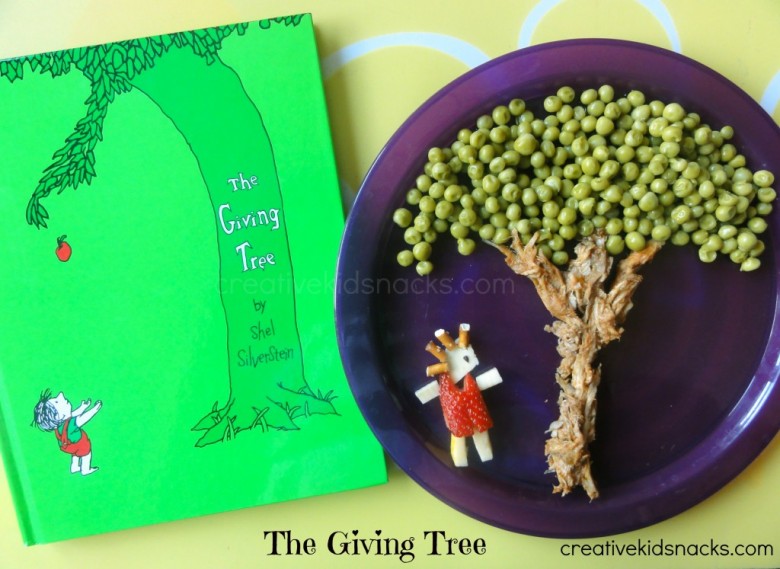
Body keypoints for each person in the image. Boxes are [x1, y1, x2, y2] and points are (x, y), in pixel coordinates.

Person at [32, 389, 102, 475]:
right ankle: (85, 469)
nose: (60, 394)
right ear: (60, 415)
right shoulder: (72, 424)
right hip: (79, 443)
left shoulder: (59, 422)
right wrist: (95, 409)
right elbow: (84, 418)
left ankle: (74, 467)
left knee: (75, 453)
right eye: (57, 402)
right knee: (86, 454)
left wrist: (83, 407)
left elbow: (72, 414)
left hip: (66, 447)